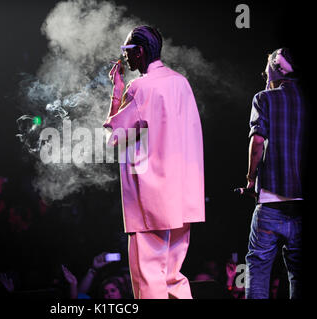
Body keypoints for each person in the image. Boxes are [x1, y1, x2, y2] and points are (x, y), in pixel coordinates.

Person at [104, 25, 205, 299]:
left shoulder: (139, 87)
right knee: (173, 277)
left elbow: (116, 138)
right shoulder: (181, 82)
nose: (124, 58)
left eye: (126, 51)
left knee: (148, 279)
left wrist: (117, 91)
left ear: (139, 51)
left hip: (149, 200)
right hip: (183, 197)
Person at [243, 48, 305, 299]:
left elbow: (257, 142)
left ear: (275, 68)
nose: (263, 73)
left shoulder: (264, 98)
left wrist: (250, 178)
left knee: (258, 267)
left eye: (266, 67)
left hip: (271, 200)